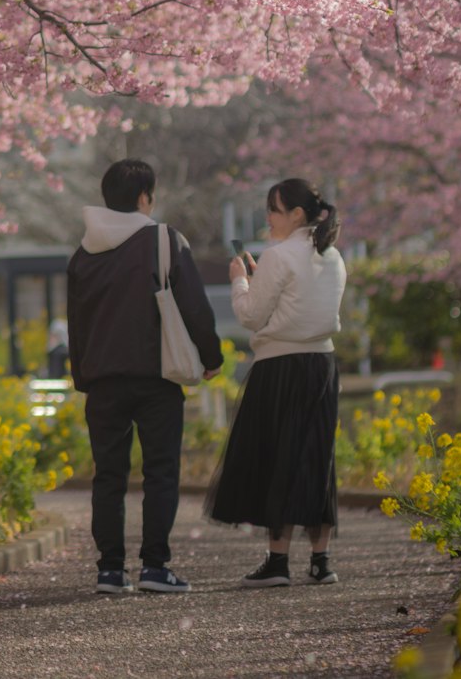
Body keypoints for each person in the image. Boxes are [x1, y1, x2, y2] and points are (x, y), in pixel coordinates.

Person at [67, 159, 223, 595]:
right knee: (160, 471)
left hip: (102, 383)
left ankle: (110, 571)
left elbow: (75, 323)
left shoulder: (83, 253)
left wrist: (85, 378)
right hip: (156, 377)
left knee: (108, 476)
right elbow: (193, 304)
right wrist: (211, 357)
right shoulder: (163, 239)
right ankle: (155, 567)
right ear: (143, 197)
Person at [206, 178, 347, 587]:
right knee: (318, 457)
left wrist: (239, 279)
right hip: (322, 363)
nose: (267, 217)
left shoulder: (277, 255)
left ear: (296, 215)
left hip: (279, 364)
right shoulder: (334, 257)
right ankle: (321, 561)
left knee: (277, 455)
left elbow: (250, 316)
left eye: (273, 209)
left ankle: (278, 561)